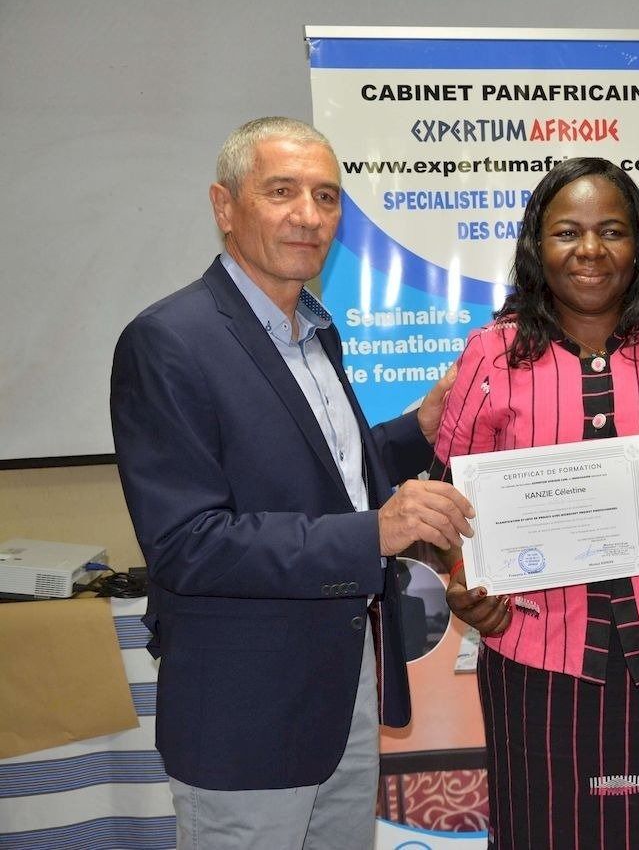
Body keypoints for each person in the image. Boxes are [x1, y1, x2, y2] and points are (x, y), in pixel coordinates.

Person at [110, 116, 474, 850]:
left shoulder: (314, 331)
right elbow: (188, 544)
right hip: (245, 714)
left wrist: (419, 429)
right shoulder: (169, 340)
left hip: (342, 693)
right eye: (282, 192)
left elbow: (327, 478)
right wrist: (374, 534)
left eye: (326, 196)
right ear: (224, 206)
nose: (309, 215)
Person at [434, 157, 639, 848]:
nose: (590, 249)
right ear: (537, 245)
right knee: (541, 832)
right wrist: (466, 583)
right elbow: (445, 506)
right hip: (535, 656)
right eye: (568, 232)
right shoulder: (492, 355)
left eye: (611, 231)